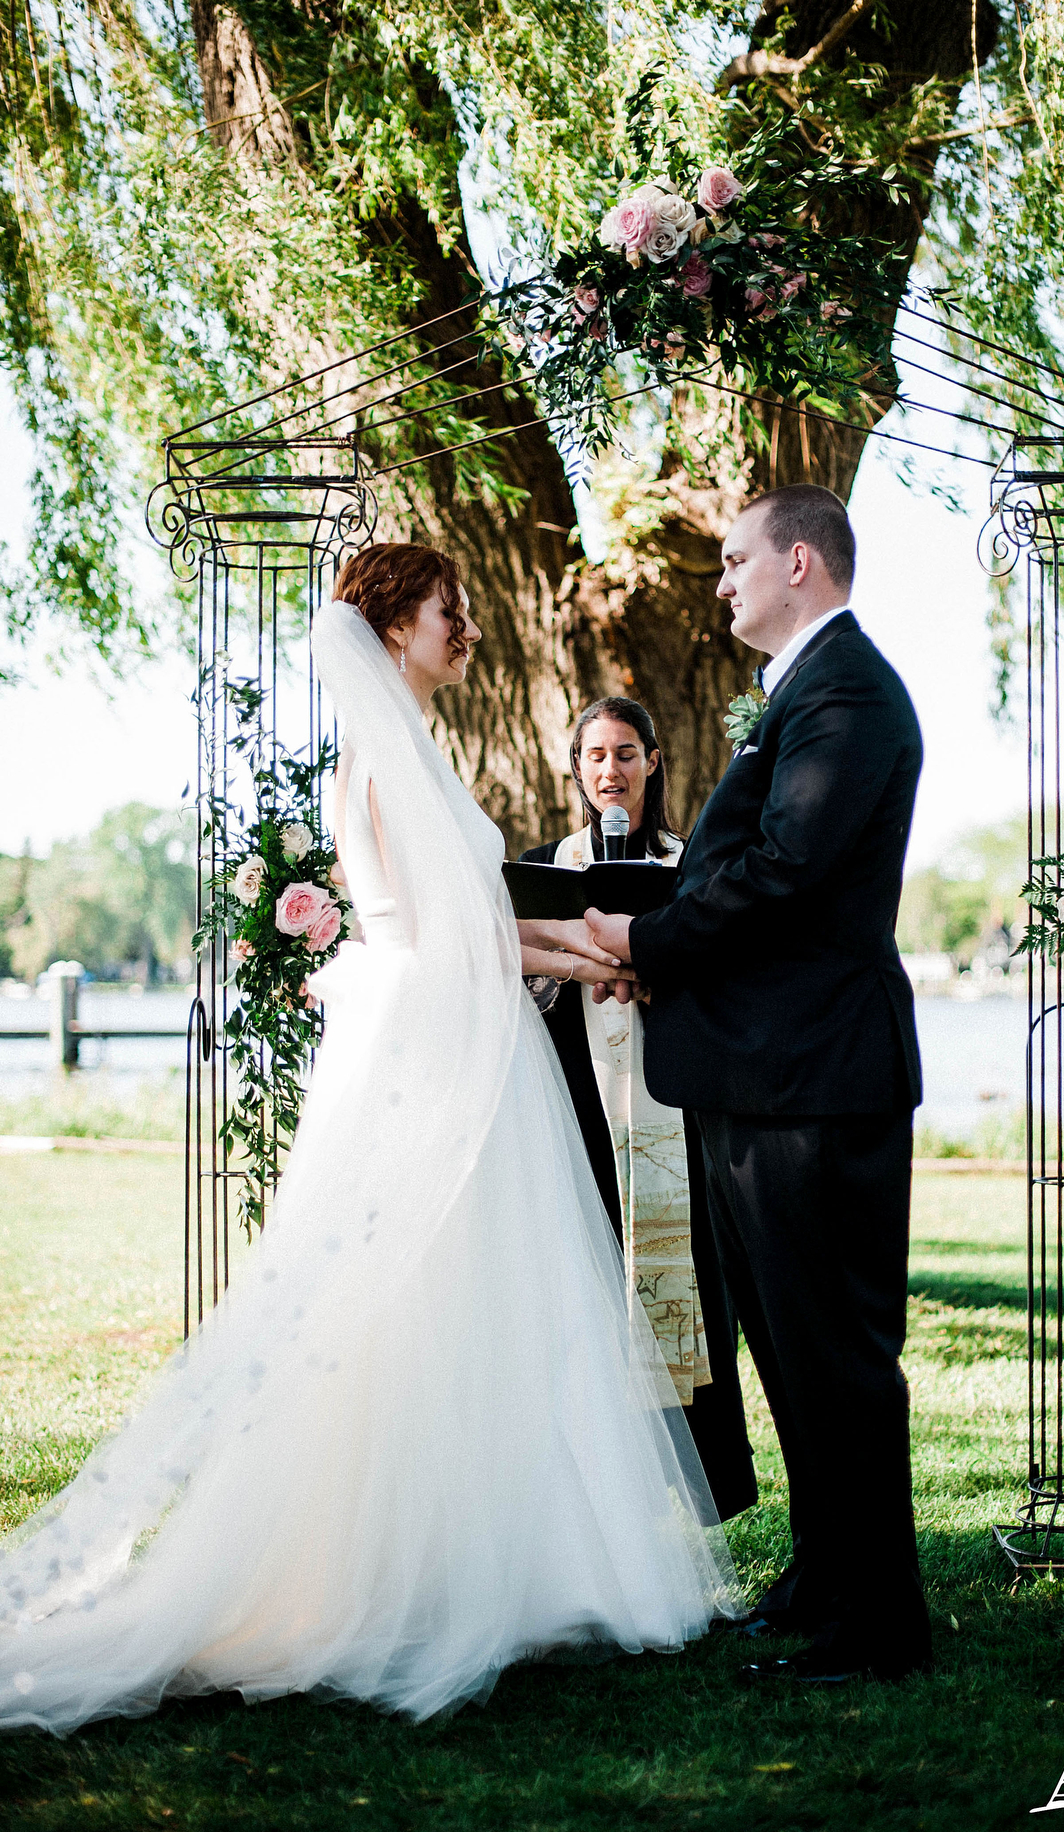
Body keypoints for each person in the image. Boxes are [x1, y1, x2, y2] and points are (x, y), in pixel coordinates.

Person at [0, 542, 739, 1736]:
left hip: (454, 1031)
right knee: (410, 1298)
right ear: (397, 626)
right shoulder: (384, 766)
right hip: (431, 1046)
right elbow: (452, 939)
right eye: (453, 612)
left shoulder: (409, 752)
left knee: (490, 1303)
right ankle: (395, 1572)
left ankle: (505, 1557)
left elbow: (480, 919)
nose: (469, 632)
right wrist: (600, 954)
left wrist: (592, 952)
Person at [585, 485, 931, 1685]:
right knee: (786, 1347)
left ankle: (878, 1619)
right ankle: (826, 1572)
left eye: (735, 561)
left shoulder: (848, 692)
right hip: (762, 1067)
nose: (720, 581)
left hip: (815, 1077)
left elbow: (785, 870)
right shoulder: (804, 691)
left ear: (799, 559)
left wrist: (646, 946)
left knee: (834, 1353)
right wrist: (662, 959)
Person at [521, 699, 757, 1522]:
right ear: (577, 769)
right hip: (583, 1109)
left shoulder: (696, 862)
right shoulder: (545, 866)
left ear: (653, 761)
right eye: (594, 756)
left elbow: (728, 972)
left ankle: (703, 1483)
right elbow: (526, 984)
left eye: (626, 753)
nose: (610, 770)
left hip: (672, 1110)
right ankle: (600, 1488)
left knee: (690, 1274)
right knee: (588, 1282)